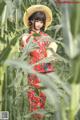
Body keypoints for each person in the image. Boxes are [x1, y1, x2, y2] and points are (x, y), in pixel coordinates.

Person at [20, 5, 58, 120]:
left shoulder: (46, 37)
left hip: (45, 71)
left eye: (41, 22)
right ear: (31, 21)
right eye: (37, 21)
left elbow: (51, 52)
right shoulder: (27, 37)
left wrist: (52, 52)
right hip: (34, 71)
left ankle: (40, 117)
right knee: (34, 96)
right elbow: (24, 53)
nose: (39, 24)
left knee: (42, 97)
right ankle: (36, 117)